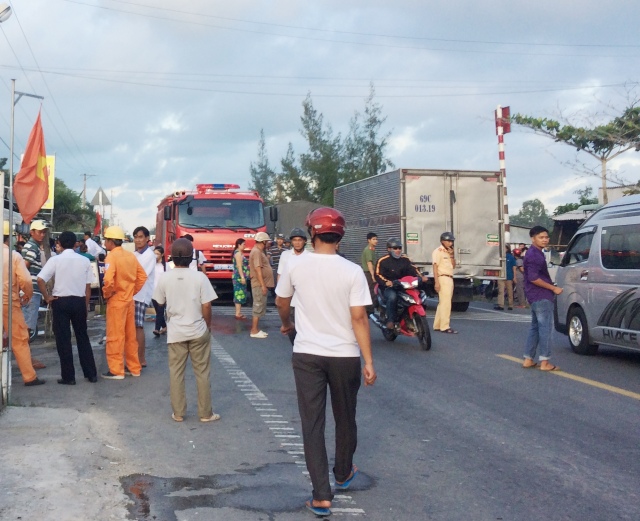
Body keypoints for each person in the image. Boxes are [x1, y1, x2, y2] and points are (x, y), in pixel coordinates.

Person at [275, 207, 376, 517]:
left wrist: (286, 324)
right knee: (346, 416)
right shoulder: (352, 271)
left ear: (312, 233)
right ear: (340, 234)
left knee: (313, 423)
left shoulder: (295, 265)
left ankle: (321, 495)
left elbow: (282, 301)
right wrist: (368, 360)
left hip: (307, 354)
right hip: (345, 355)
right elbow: (359, 317)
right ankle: (343, 472)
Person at [152, 238, 220, 423]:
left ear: (172, 258)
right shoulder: (200, 277)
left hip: (175, 333)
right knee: (202, 373)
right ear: (192, 258)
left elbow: (159, 302)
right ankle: (205, 413)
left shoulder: (165, 277)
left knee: (176, 373)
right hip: (198, 330)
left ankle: (179, 413)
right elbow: (207, 305)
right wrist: (208, 325)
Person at [36, 231, 98, 385]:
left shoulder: (55, 260)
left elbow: (40, 279)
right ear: (75, 243)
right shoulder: (84, 261)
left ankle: (68, 377)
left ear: (60, 243)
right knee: (82, 337)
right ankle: (91, 374)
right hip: (79, 301)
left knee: (63, 340)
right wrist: (85, 305)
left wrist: (47, 297)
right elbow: (88, 287)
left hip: (60, 302)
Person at [101, 225, 147, 380]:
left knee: (115, 336)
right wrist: (131, 291)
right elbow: (142, 277)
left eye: (105, 240)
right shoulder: (130, 256)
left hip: (116, 301)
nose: (104, 243)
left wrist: (108, 294)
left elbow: (108, 280)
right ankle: (134, 368)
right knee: (130, 336)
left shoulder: (111, 257)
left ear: (110, 241)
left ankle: (116, 370)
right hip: (129, 301)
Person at [3, 223, 45, 386]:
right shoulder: (14, 256)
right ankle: (29, 377)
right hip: (9, 302)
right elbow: (26, 280)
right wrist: (27, 295)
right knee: (20, 339)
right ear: (11, 237)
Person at [522, 226, 563, 371]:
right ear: (533, 239)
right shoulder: (534, 255)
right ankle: (545, 362)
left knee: (535, 328)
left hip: (533, 295)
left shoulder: (535, 253)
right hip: (541, 295)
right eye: (541, 237)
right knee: (545, 328)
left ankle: (528, 359)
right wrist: (553, 288)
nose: (545, 240)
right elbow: (533, 278)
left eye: (546, 237)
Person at [375, 237, 427, 330]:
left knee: (418, 293)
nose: (398, 250)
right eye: (395, 248)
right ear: (389, 249)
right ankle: (391, 320)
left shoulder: (405, 259)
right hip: (389, 287)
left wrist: (421, 277)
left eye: (399, 248)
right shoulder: (383, 260)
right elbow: (377, 274)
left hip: (404, 285)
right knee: (393, 297)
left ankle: (410, 317)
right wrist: (386, 282)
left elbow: (413, 269)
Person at [277, 227, 309, 345]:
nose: (297, 243)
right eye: (294, 240)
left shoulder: (310, 256)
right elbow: (280, 274)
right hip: (289, 294)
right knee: (291, 322)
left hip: (305, 294)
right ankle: (296, 346)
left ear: (305, 241)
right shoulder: (285, 255)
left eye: (300, 240)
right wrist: (279, 293)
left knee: (304, 323)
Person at [21, 219, 49, 343]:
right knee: (28, 324)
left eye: (44, 232)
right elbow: (25, 266)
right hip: (31, 289)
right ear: (32, 232)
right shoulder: (33, 247)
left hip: (28, 288)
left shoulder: (31, 245)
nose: (42, 235)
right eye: (40, 232)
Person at [132, 226, 155, 368]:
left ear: (147, 239)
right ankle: (135, 357)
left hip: (140, 294)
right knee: (133, 327)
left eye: (141, 237)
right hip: (133, 294)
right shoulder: (135, 254)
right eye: (136, 237)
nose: (138, 240)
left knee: (138, 326)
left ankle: (141, 359)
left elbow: (139, 275)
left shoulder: (149, 256)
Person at [249, 231, 274, 339]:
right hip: (258, 284)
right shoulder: (256, 252)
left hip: (260, 284)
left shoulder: (259, 251)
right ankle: (254, 330)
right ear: (263, 241)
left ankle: (256, 329)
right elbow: (258, 268)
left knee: (260, 305)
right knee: (258, 306)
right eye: (267, 241)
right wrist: (263, 285)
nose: (268, 243)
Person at [432, 232, 458, 334]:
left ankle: (438, 325)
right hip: (442, 277)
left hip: (450, 277)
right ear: (442, 241)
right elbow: (435, 267)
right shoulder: (438, 251)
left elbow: (453, 266)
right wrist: (436, 282)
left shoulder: (448, 252)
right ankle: (445, 326)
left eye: (451, 241)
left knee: (443, 302)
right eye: (448, 241)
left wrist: (451, 255)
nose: (450, 243)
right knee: (446, 303)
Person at [232, 238, 250, 320]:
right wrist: (242, 277)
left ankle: (238, 312)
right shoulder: (238, 254)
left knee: (240, 293)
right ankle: (238, 313)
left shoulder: (239, 253)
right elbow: (239, 266)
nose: (245, 246)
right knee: (239, 293)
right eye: (244, 244)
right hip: (239, 277)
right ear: (239, 245)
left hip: (240, 276)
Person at [360, 232, 378, 315]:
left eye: (376, 239)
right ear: (369, 240)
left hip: (370, 273)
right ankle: (370, 310)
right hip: (368, 273)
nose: (376, 241)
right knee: (371, 290)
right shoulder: (368, 250)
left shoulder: (372, 249)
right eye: (374, 239)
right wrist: (373, 275)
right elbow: (369, 263)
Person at [494, 245, 516, 311]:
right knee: (501, 291)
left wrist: (514, 277)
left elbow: (514, 267)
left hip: (509, 276)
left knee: (510, 291)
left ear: (507, 249)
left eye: (505, 248)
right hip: (501, 276)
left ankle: (510, 305)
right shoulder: (499, 256)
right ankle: (501, 305)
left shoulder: (511, 257)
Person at [152, 246, 167, 336]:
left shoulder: (166, 266)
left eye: (157, 254)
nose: (156, 256)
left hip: (162, 291)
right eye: (154, 253)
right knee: (158, 311)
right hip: (153, 291)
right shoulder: (152, 265)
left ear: (162, 255)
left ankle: (157, 329)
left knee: (161, 310)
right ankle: (164, 326)